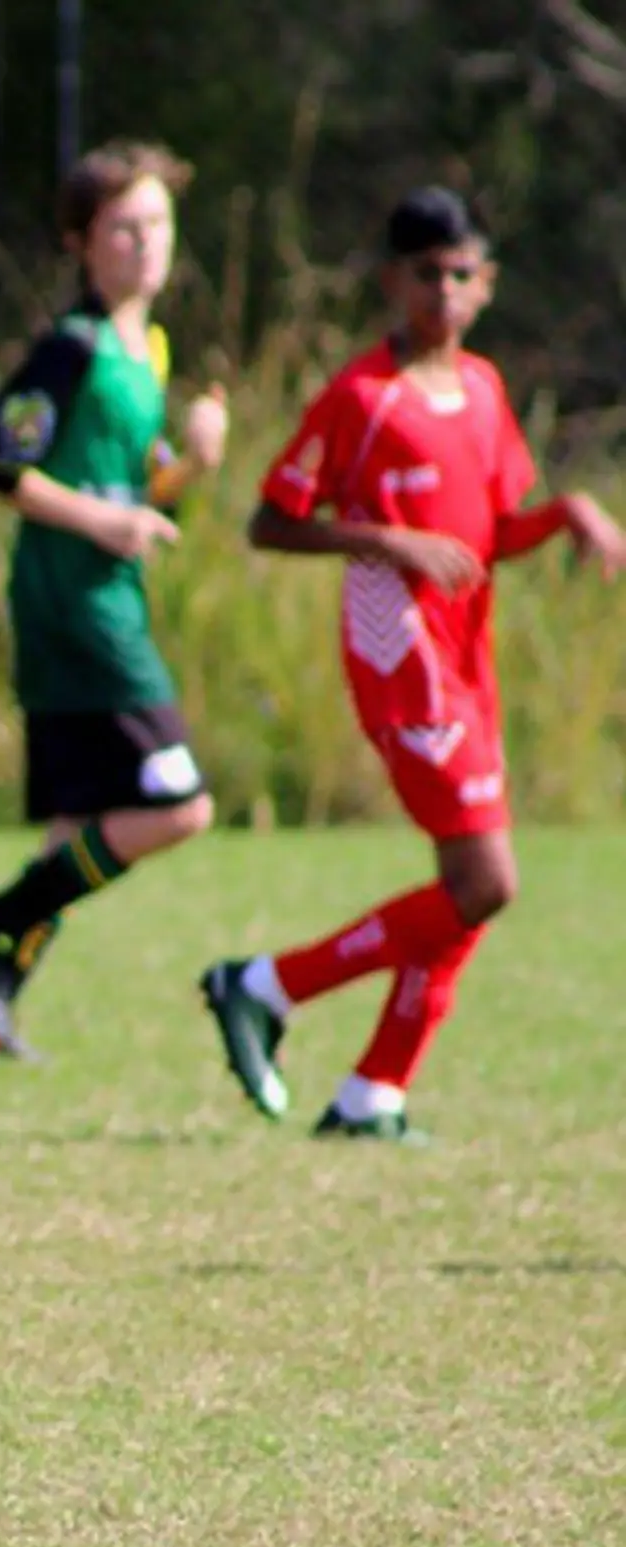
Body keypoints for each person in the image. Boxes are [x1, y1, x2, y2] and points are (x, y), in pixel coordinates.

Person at [200, 186, 625, 1142]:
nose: (442, 290)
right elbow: (272, 522)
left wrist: (570, 516)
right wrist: (389, 543)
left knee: (464, 892)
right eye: (424, 273)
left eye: (460, 273)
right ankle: (268, 985)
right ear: (393, 281)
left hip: (470, 668)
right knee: (487, 882)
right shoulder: (361, 398)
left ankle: (372, 1094)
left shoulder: (482, 389)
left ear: (486, 285)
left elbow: (488, 538)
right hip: (404, 667)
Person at [0, 140, 228, 1063]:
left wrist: (196, 466)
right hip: (72, 604)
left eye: (157, 226)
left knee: (73, 826)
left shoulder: (152, 348)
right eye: (123, 228)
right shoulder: (75, 348)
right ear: (82, 243)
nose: (145, 244)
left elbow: (139, 496)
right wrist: (102, 526)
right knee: (181, 806)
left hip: (110, 591)